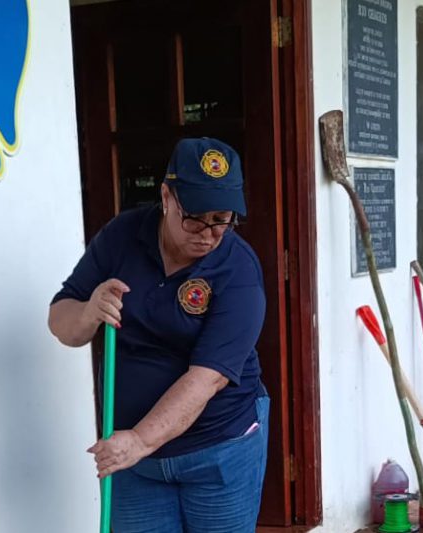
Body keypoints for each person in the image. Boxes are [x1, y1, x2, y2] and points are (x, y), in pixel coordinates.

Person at [48, 137, 269, 532]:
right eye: (195, 217)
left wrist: (140, 441)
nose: (208, 233)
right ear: (167, 197)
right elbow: (61, 321)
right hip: (135, 462)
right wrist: (89, 311)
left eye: (221, 219)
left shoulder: (238, 270)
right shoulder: (123, 236)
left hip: (217, 448)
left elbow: (207, 378)